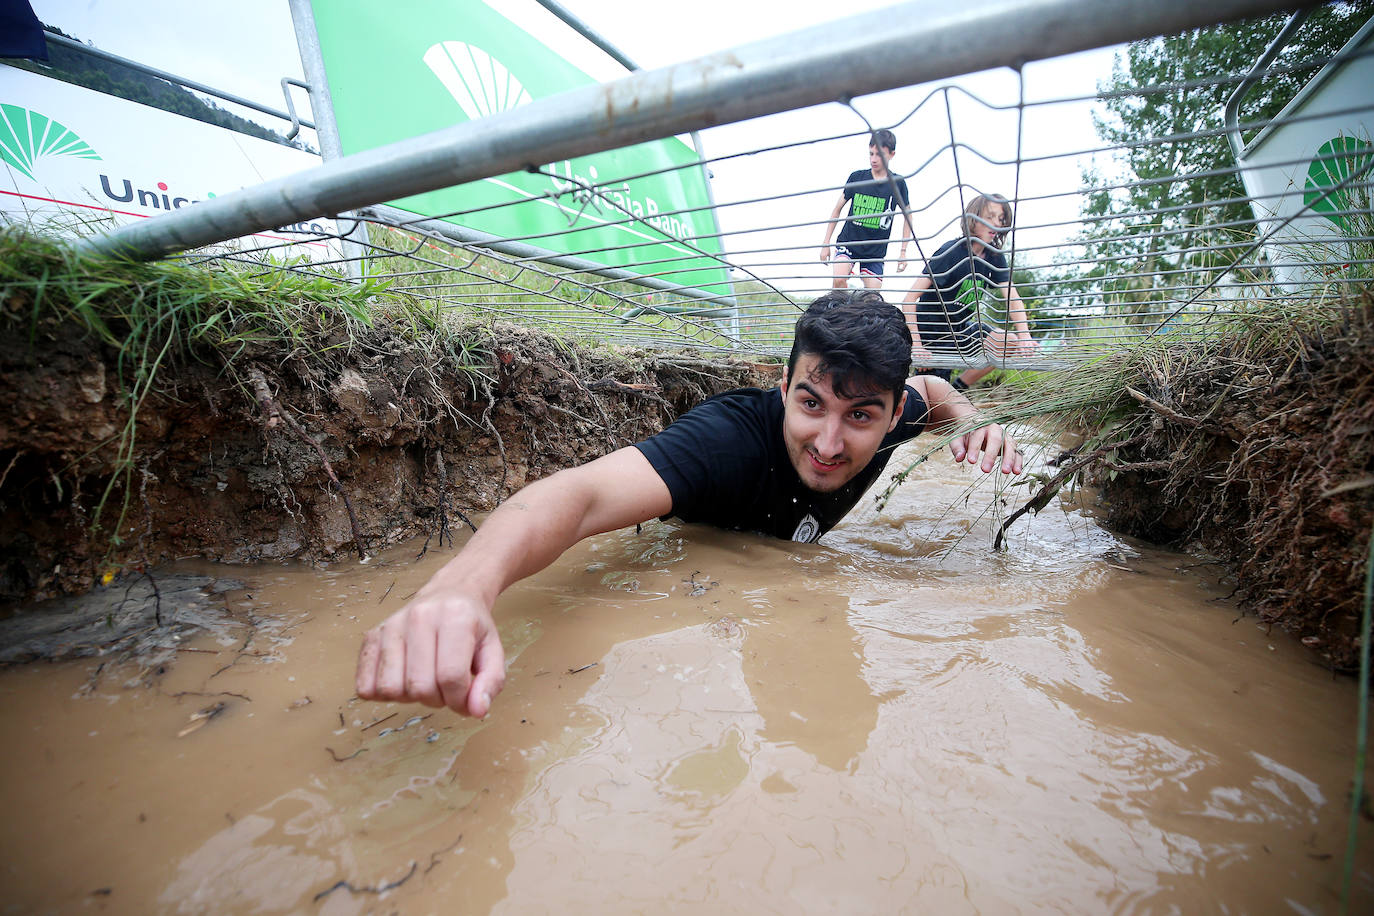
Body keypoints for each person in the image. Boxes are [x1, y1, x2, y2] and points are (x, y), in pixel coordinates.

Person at [355, 290, 1023, 718]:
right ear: (783, 382)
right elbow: (580, 497)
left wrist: (968, 416)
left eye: (860, 416)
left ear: (890, 412)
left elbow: (934, 389)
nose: (828, 441)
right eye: (810, 403)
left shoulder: (903, 405)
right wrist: (464, 587)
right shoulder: (727, 440)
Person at [904, 193, 1038, 390]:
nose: (996, 224)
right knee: (932, 394)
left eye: (1000, 219)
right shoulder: (951, 251)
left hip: (961, 331)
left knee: (1008, 342)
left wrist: (1025, 334)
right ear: (973, 218)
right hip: (931, 335)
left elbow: (1012, 296)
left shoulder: (994, 256)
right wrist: (917, 346)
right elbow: (909, 300)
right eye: (990, 217)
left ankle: (959, 388)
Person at [819, 129, 913, 290]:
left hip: (874, 252)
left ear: (892, 154)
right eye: (871, 154)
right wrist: (825, 243)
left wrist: (903, 252)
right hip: (849, 243)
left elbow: (908, 217)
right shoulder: (857, 178)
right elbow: (837, 209)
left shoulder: (897, 183)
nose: (874, 159)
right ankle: (840, 311)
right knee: (839, 279)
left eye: (879, 155)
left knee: (873, 296)